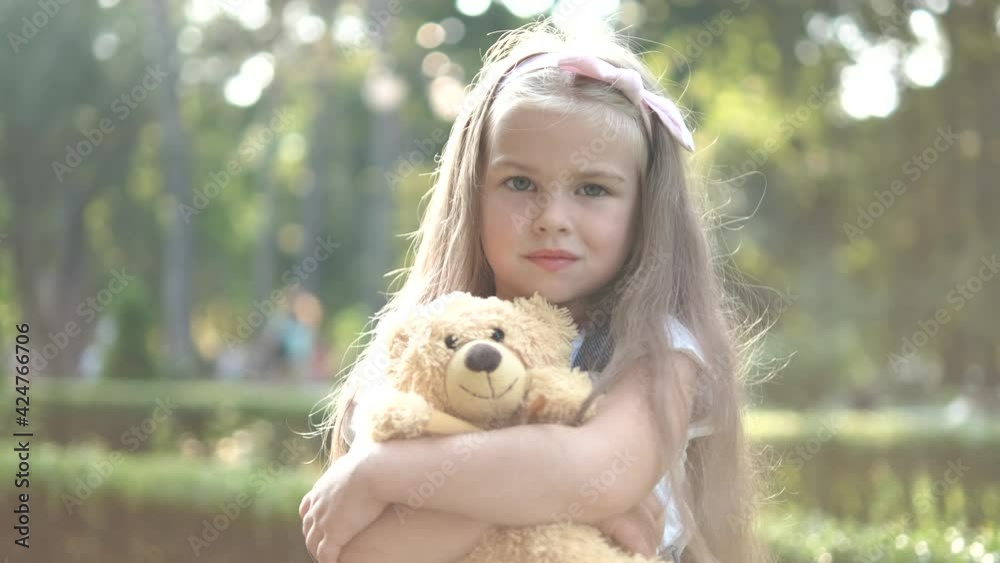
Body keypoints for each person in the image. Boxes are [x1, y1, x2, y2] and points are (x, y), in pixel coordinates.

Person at [299, 18, 763, 563]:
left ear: (645, 212)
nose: (552, 218)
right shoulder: (423, 346)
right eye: (520, 183)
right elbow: (363, 550)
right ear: (474, 195)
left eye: (593, 188)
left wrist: (383, 472)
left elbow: (597, 470)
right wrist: (558, 499)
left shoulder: (657, 348)